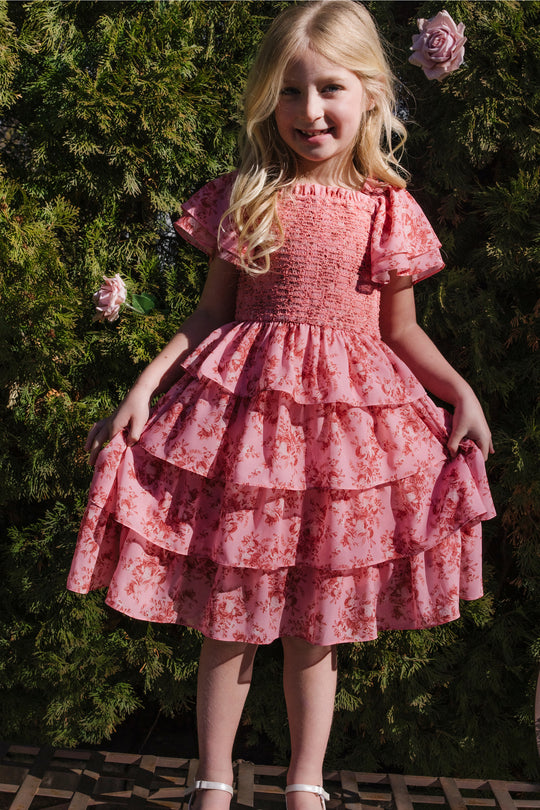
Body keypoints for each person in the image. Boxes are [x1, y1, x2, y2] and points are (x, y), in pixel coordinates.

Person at [67, 2, 495, 809]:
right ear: (270, 97)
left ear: (369, 92)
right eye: (291, 91)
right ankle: (213, 781)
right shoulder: (247, 195)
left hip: (342, 442)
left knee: (317, 626)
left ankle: (306, 785)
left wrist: (462, 392)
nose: (310, 111)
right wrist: (145, 385)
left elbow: (402, 331)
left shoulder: (385, 208)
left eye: (330, 88)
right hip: (249, 434)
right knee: (231, 616)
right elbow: (208, 316)